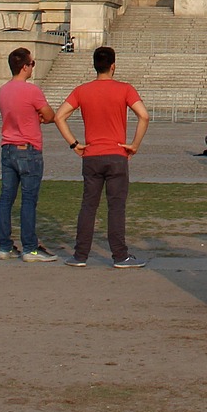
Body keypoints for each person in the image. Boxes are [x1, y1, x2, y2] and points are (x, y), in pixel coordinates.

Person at [55, 45, 149, 269]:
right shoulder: (125, 89)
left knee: (89, 205)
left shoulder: (82, 90)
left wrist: (74, 144)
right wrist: (134, 145)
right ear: (113, 66)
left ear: (95, 65)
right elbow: (144, 116)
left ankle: (80, 254)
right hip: (117, 154)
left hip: (92, 155)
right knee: (116, 207)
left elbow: (60, 116)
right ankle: (119, 255)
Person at [0, 47, 57, 262]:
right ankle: (30, 248)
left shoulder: (3, 90)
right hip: (28, 148)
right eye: (31, 64)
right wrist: (38, 117)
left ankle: (5, 246)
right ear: (24, 67)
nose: (32, 68)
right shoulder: (31, 91)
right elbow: (49, 115)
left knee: (6, 199)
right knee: (28, 200)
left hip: (8, 147)